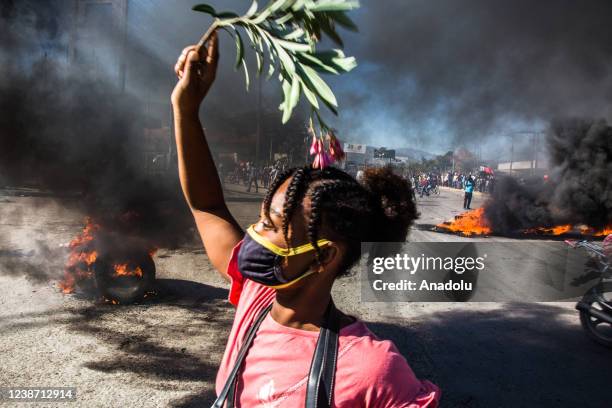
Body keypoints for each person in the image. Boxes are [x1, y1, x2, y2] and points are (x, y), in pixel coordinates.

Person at [171, 34, 440, 407]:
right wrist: (185, 109)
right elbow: (207, 205)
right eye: (261, 219)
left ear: (323, 257)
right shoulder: (256, 297)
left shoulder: (372, 370)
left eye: (272, 226)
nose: (252, 234)